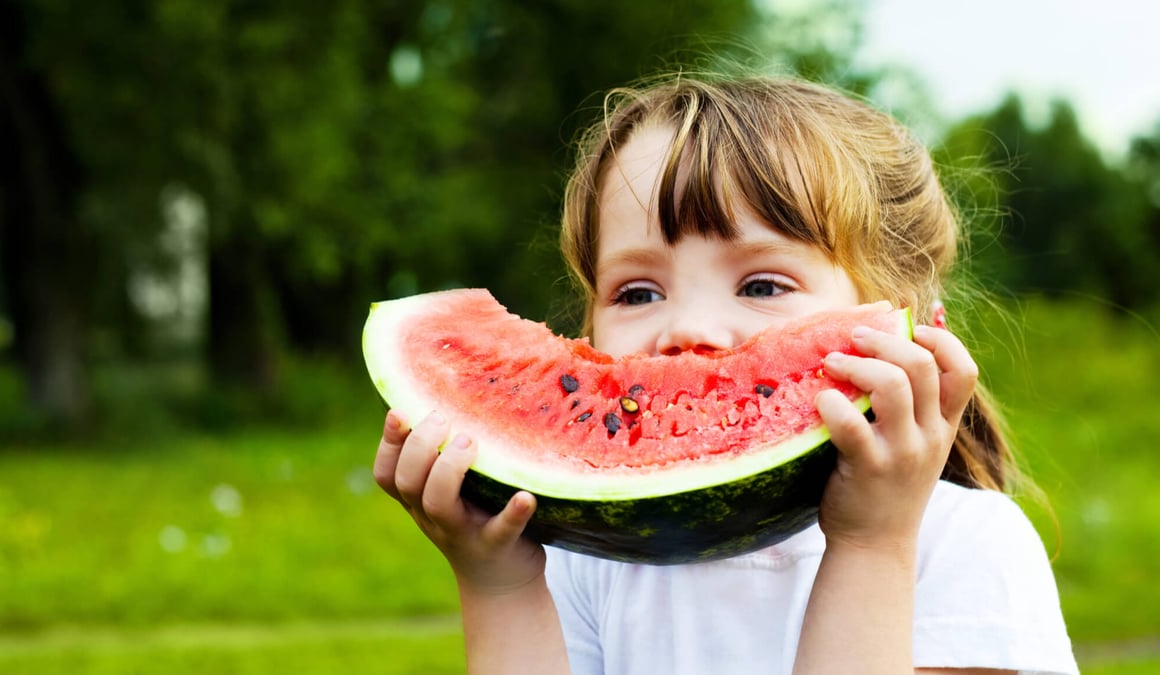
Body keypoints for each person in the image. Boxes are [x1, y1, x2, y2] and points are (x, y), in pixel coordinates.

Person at [372, 73, 1079, 674]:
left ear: (914, 328)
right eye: (637, 292)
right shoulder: (587, 561)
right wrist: (499, 585)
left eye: (763, 284)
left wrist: (874, 541)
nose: (688, 329)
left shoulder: (967, 545)